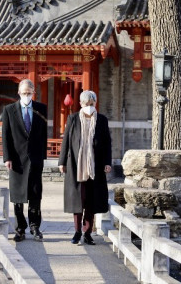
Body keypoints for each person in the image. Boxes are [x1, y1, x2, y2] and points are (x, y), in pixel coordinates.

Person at [58, 90, 112, 245]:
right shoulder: (73, 118)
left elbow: (107, 142)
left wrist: (107, 162)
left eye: (91, 104)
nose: (89, 107)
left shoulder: (102, 120)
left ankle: (87, 233)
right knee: (78, 200)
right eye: (86, 104)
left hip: (95, 166)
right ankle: (76, 232)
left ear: (95, 104)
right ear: (81, 104)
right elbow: (66, 142)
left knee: (91, 200)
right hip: (76, 165)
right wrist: (61, 162)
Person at [1, 79, 48, 242]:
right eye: (24, 93)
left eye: (29, 93)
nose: (26, 95)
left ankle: (35, 227)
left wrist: (43, 156)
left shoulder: (41, 109)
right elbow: (5, 135)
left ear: (33, 92)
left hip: (35, 158)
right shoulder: (9, 110)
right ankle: (20, 228)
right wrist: (7, 157)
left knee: (35, 194)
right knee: (18, 196)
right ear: (19, 93)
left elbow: (43, 135)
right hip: (16, 160)